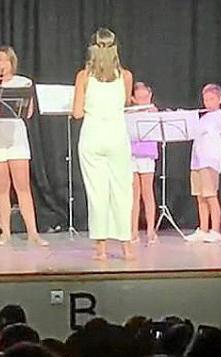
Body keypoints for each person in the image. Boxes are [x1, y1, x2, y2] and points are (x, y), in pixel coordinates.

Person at [72, 28, 135, 261]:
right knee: (122, 191)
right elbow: (126, 103)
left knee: (97, 193)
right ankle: (127, 248)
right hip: (117, 136)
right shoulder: (125, 76)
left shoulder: (83, 77)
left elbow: (77, 113)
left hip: (92, 136)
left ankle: (101, 250)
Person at [0, 46, 48, 246]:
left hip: (16, 139)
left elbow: (28, 112)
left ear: (12, 63)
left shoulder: (23, 83)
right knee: (2, 187)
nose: (1, 64)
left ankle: (33, 232)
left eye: (5, 60)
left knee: (22, 186)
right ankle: (5, 232)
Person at [184, 83, 221, 244]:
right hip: (197, 161)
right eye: (206, 99)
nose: (208, 102)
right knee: (200, 197)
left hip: (209, 161)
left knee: (210, 195)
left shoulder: (217, 118)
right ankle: (203, 229)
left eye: (212, 99)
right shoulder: (204, 117)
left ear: (220, 99)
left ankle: (215, 231)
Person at [128, 82, 159, 245]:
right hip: (132, 155)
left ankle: (150, 230)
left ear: (150, 96)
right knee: (134, 194)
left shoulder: (153, 112)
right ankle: (133, 231)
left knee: (148, 193)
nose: (143, 100)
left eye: (145, 97)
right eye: (139, 98)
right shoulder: (129, 114)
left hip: (147, 155)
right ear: (133, 99)